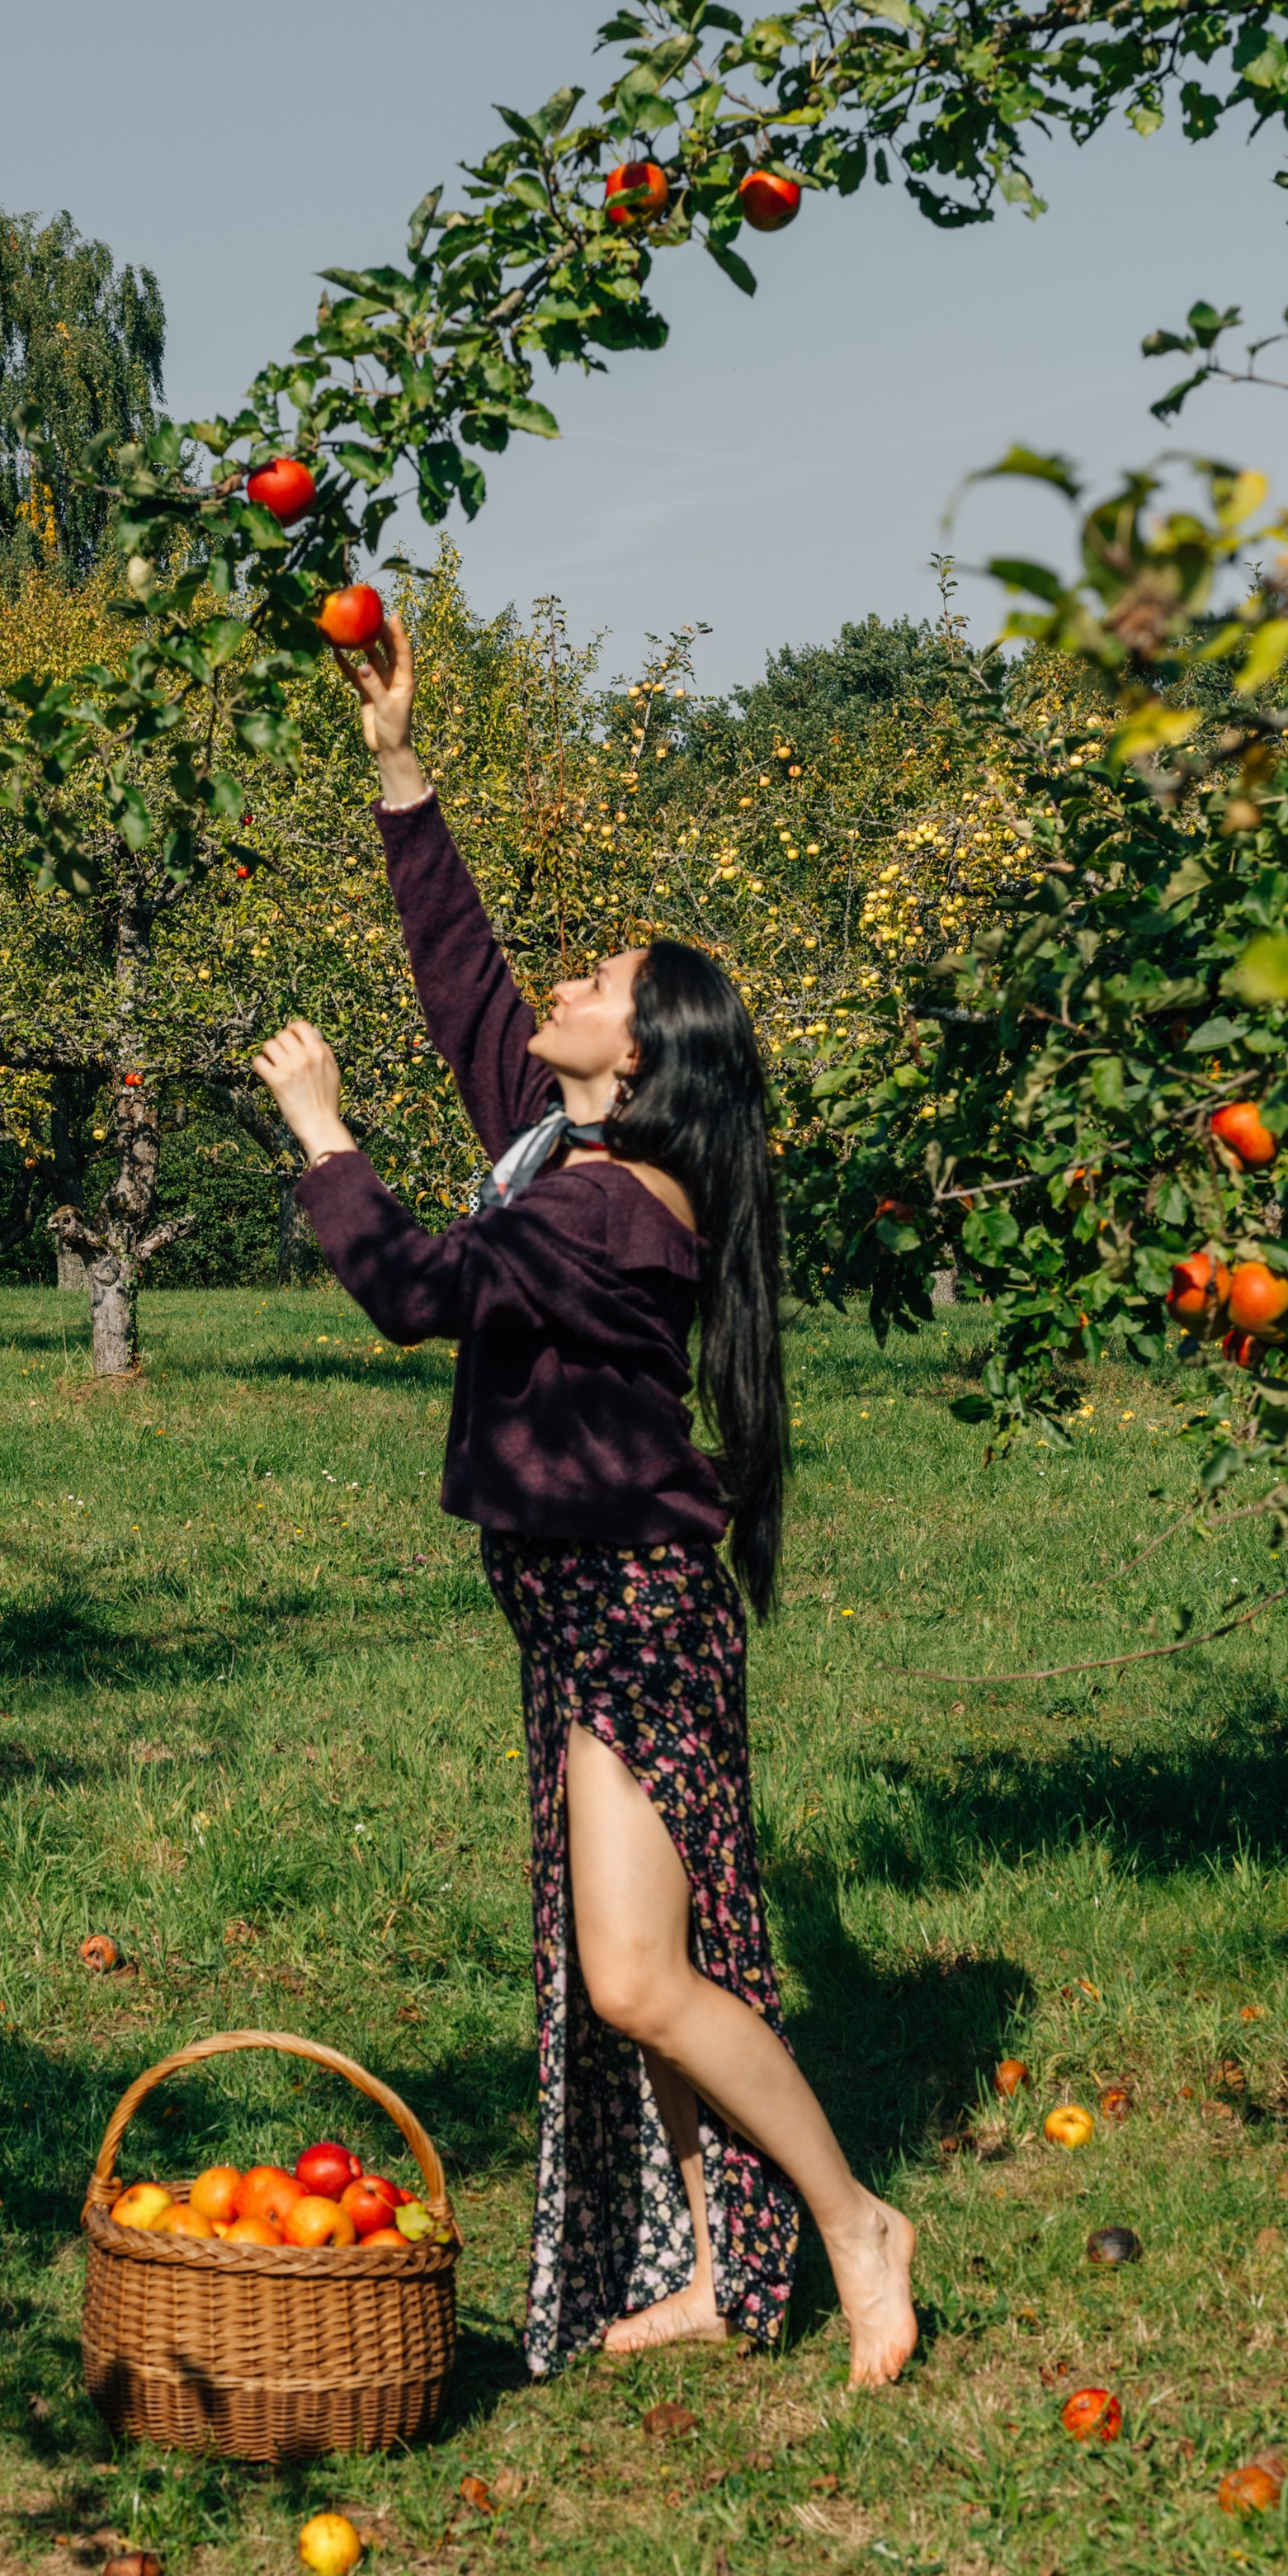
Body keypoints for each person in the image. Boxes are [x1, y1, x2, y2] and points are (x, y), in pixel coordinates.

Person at [249, 614, 917, 2387]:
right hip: (577, 1597)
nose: (561, 984)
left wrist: (322, 1134)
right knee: (636, 1963)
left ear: (646, 1055)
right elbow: (462, 986)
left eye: (600, 979)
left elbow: (409, 1289)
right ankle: (710, 2265)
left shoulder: (610, 1210)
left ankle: (851, 2222)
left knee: (635, 1978)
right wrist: (400, 761)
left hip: (624, 1604)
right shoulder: (571, 1156)